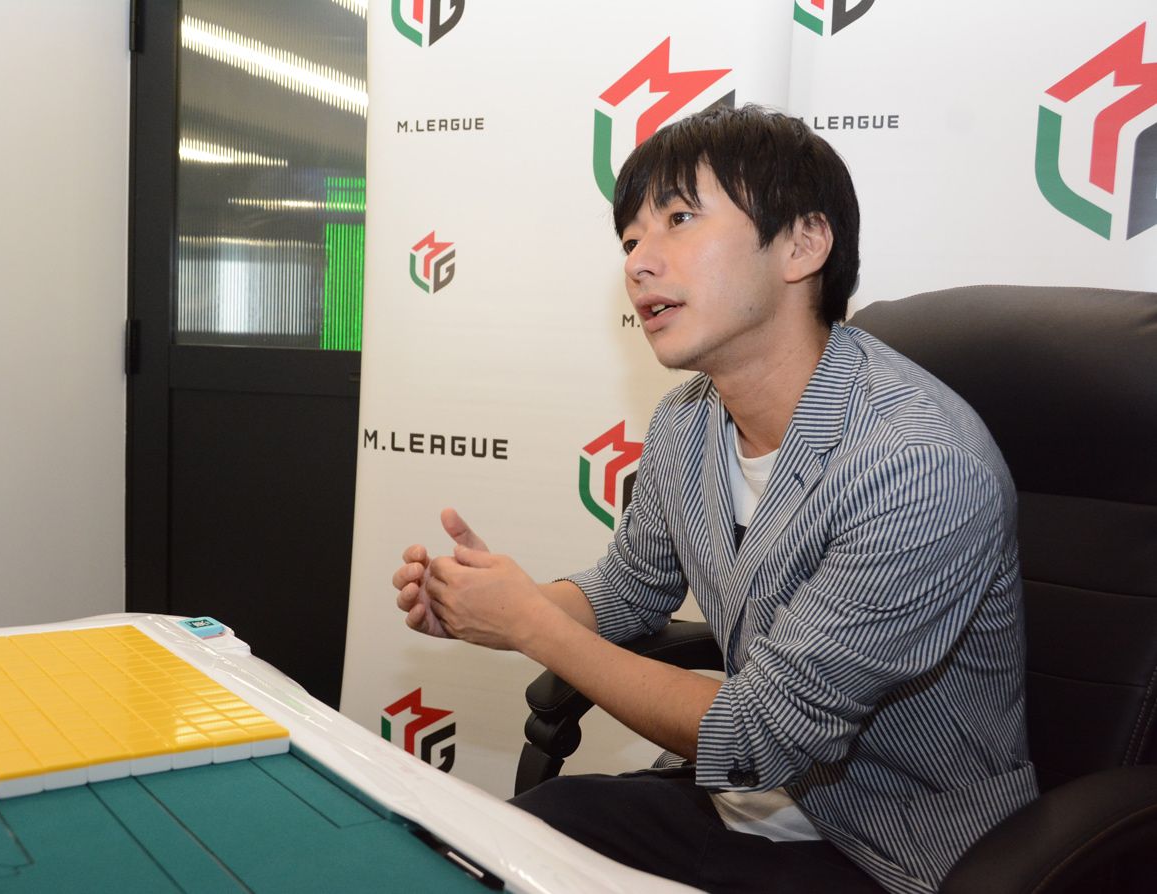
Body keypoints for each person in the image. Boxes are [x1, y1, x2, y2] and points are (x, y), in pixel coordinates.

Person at [391, 104, 1035, 894]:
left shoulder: (918, 464)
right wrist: (492, 601)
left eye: (679, 220)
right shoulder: (687, 423)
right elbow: (628, 592)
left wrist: (532, 626)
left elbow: (758, 737)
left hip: (893, 852)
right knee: (497, 845)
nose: (639, 263)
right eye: (630, 240)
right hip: (736, 807)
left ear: (803, 244)